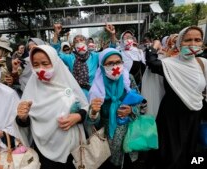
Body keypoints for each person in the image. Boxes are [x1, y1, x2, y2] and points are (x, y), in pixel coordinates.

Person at [15, 45, 89, 168]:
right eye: (36, 65)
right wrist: (22, 117)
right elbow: (23, 122)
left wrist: (78, 117)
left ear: (55, 62)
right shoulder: (31, 89)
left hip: (72, 150)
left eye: (45, 63)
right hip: (43, 149)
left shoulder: (68, 85)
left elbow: (85, 107)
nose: (40, 69)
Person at [145, 26, 207, 169]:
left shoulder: (202, 64)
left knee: (188, 153)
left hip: (194, 116)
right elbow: (152, 62)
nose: (193, 44)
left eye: (197, 40)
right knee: (170, 155)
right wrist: (154, 46)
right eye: (188, 40)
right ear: (179, 42)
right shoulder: (168, 64)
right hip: (171, 118)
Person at [87, 48, 141, 169]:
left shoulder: (128, 79)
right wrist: (94, 112)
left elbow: (139, 104)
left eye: (118, 62)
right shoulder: (97, 87)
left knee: (129, 163)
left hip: (130, 133)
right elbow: (92, 122)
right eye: (110, 63)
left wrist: (131, 110)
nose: (115, 66)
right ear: (102, 66)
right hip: (107, 138)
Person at [51, 23, 99, 98]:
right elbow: (54, 53)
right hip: (76, 94)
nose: (79, 42)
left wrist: (112, 35)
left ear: (86, 43)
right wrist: (56, 34)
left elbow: (110, 54)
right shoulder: (70, 58)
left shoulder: (95, 56)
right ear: (73, 46)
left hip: (93, 94)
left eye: (81, 40)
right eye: (76, 41)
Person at [106, 23, 146, 91]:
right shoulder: (118, 51)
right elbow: (112, 46)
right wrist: (112, 35)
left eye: (130, 37)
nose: (128, 39)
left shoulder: (139, 52)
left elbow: (143, 69)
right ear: (121, 39)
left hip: (137, 85)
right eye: (125, 37)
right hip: (121, 84)